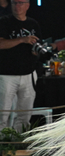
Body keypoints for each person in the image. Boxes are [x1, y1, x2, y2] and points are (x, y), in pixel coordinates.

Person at [0, 0, 42, 131]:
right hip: (7, 74)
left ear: (27, 5)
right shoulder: (4, 21)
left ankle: (19, 143)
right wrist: (23, 39)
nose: (17, 6)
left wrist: (38, 51)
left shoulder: (33, 23)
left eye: (20, 3)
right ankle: (2, 145)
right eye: (14, 3)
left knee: (25, 114)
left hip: (28, 73)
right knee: (3, 113)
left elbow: (37, 48)